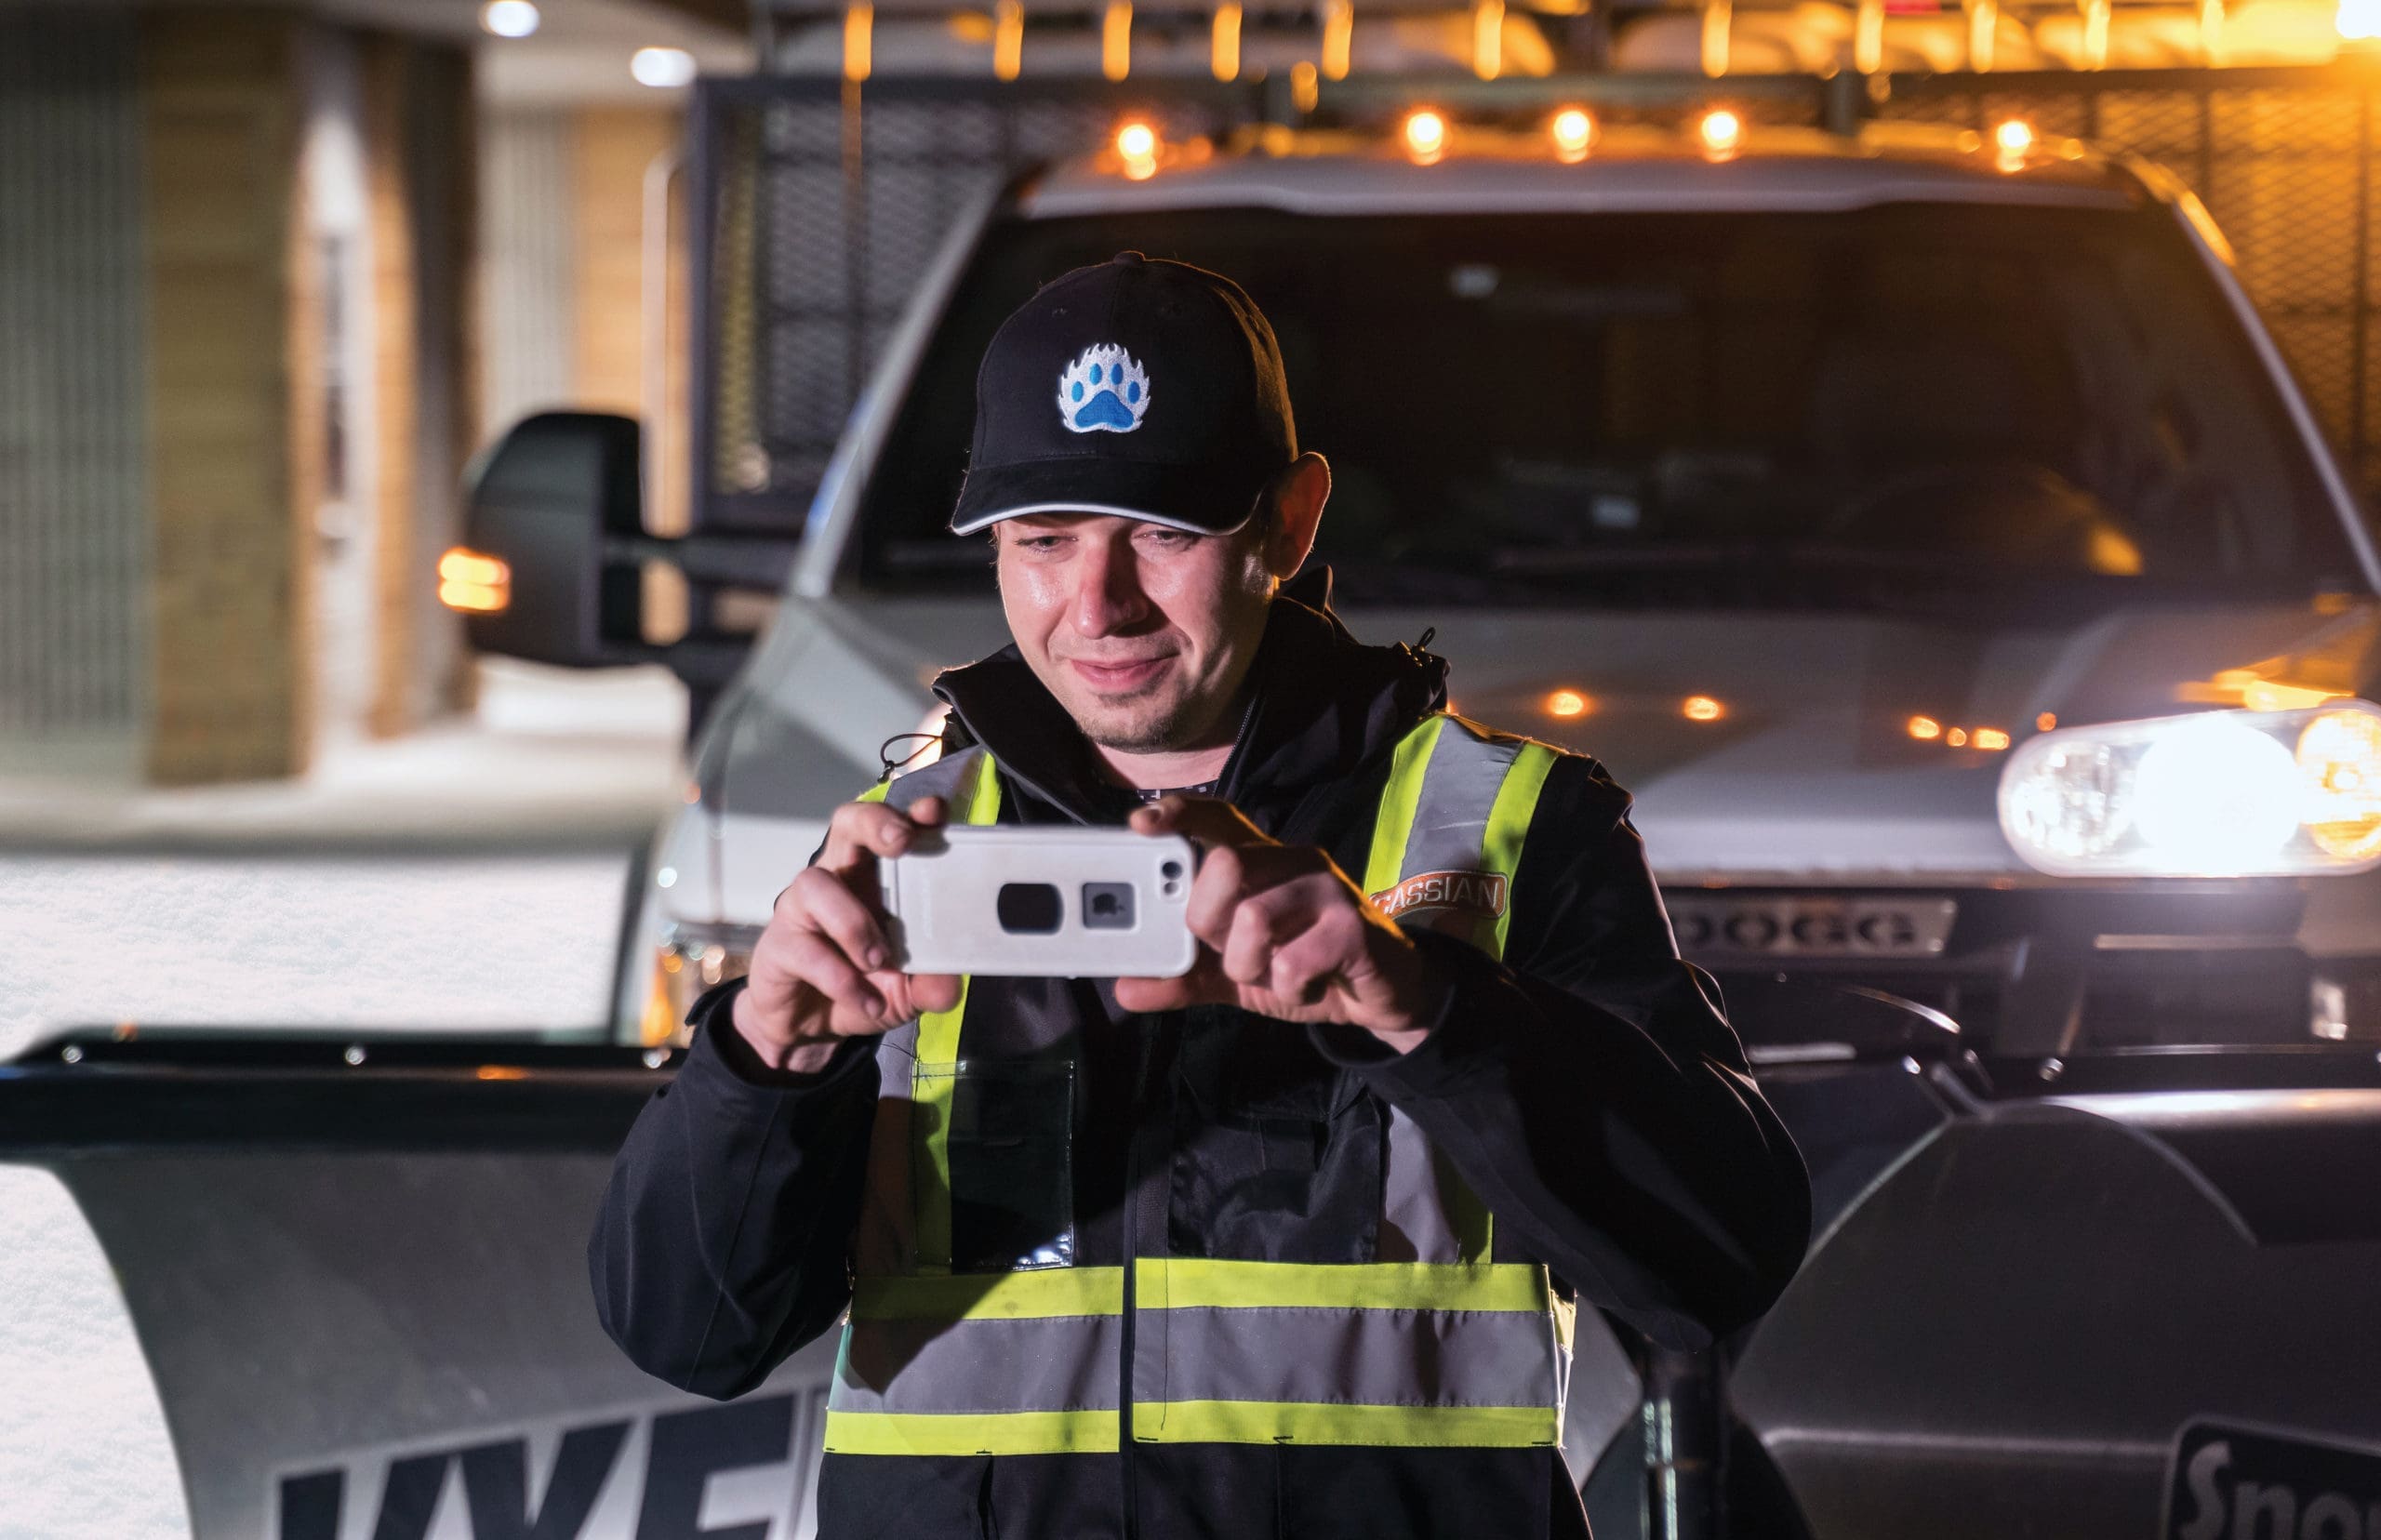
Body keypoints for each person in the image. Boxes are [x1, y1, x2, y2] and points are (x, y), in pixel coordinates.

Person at [589, 251, 1811, 1540]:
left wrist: (1426, 1010)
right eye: (1044, 540)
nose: (1097, 603)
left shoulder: (1511, 827)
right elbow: (687, 1333)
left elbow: (1718, 1262)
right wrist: (761, 1058)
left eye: (1164, 534)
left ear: (1290, 522)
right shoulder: (900, 851)